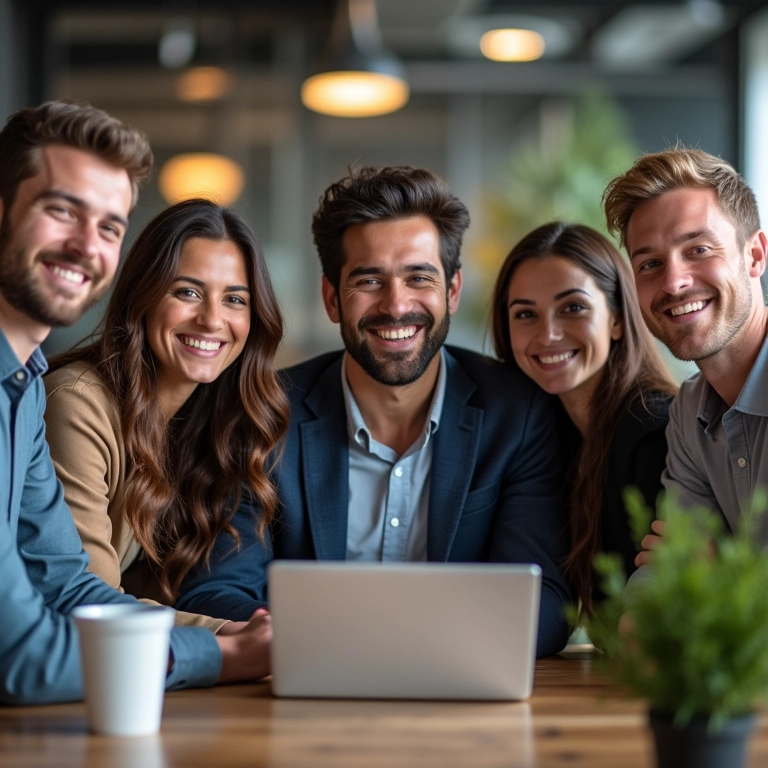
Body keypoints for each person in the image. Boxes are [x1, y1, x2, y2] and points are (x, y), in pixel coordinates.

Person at [177, 165, 572, 657]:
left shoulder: (519, 414)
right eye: (369, 280)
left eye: (418, 277)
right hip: (301, 698)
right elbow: (216, 592)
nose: (395, 304)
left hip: (463, 698)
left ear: (451, 292)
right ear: (331, 298)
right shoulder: (259, 412)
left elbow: (546, 604)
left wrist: (393, 643)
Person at [0, 100, 269, 705]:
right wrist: (222, 656)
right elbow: (24, 657)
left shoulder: (19, 387)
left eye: (109, 226)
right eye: (61, 211)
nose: (84, 245)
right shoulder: (62, 396)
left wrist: (237, 637)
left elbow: (70, 589)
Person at [43, 198, 288, 646]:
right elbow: (84, 600)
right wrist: (232, 636)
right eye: (187, 292)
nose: (212, 319)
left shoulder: (202, 420)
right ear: (144, 294)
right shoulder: (76, 403)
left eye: (234, 299)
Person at [490, 222, 677, 613]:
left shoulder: (654, 432)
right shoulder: (540, 437)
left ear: (617, 318)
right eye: (525, 314)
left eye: (572, 308)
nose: (548, 334)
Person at [603, 147, 768, 548]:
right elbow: (665, 576)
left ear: (755, 256)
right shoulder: (689, 411)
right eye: (650, 264)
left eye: (698, 250)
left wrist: (720, 580)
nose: (674, 283)